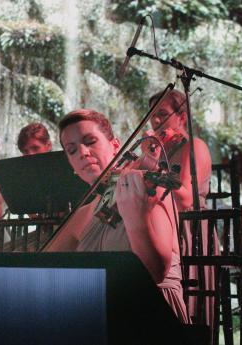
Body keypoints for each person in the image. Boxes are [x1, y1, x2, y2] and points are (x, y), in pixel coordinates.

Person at [45, 109, 189, 323]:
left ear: (115, 145)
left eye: (90, 141)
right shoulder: (86, 212)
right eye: (72, 150)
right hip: (106, 315)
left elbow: (154, 272)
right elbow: (45, 264)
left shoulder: (148, 185)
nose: (83, 153)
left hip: (152, 316)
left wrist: (137, 219)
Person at [143, 90, 214, 326]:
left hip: (189, 230)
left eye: (162, 114)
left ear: (182, 117)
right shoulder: (162, 150)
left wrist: (153, 166)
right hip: (165, 229)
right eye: (152, 115)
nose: (155, 121)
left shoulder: (194, 145)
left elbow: (185, 199)